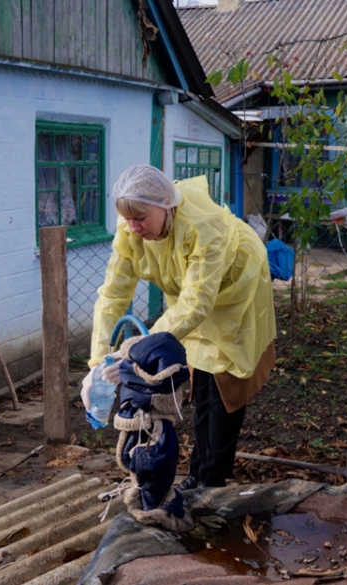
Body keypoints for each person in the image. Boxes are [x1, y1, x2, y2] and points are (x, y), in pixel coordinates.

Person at [83, 165, 276, 490]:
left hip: (236, 287)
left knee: (225, 382)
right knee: (200, 374)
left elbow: (196, 303)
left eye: (140, 218)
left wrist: (132, 351)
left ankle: (212, 479)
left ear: (165, 206)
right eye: (127, 219)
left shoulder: (203, 226)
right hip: (193, 293)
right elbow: (113, 294)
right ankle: (198, 474)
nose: (133, 227)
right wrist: (96, 364)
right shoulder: (132, 226)